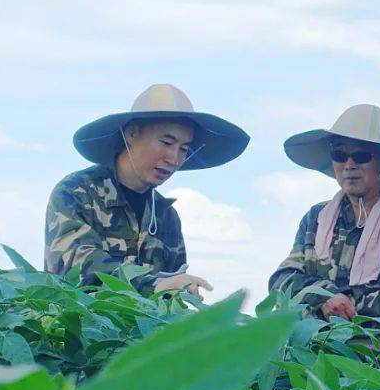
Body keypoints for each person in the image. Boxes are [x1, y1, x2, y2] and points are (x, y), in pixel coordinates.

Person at [45, 83, 249, 296]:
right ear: (131, 134)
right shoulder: (77, 193)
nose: (174, 158)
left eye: (184, 149)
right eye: (166, 142)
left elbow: (171, 291)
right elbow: (75, 267)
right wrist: (154, 285)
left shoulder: (165, 216)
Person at [269, 104, 380, 354]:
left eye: (361, 156)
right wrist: (325, 296)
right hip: (310, 355)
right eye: (339, 154)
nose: (348, 164)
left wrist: (334, 301)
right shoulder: (316, 217)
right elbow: (282, 280)